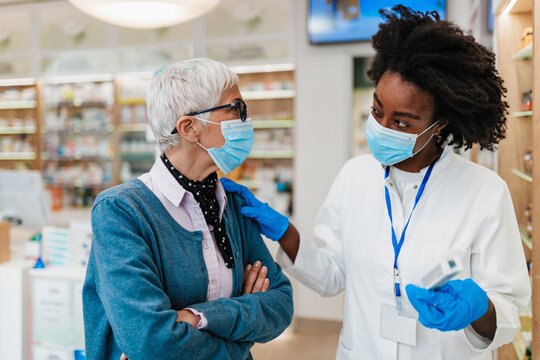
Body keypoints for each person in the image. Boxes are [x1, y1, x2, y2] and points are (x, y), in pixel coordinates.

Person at [222, 5, 531, 360]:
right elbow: (332, 276)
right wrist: (286, 233)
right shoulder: (354, 176)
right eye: (377, 110)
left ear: (441, 123)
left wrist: (481, 310)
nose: (382, 127)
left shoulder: (484, 192)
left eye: (402, 122)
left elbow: (509, 311)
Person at [82, 58, 293, 360]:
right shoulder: (121, 211)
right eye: (236, 109)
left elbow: (281, 305)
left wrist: (197, 317)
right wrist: (240, 338)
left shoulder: (231, 202)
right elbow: (151, 341)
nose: (246, 119)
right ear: (190, 127)